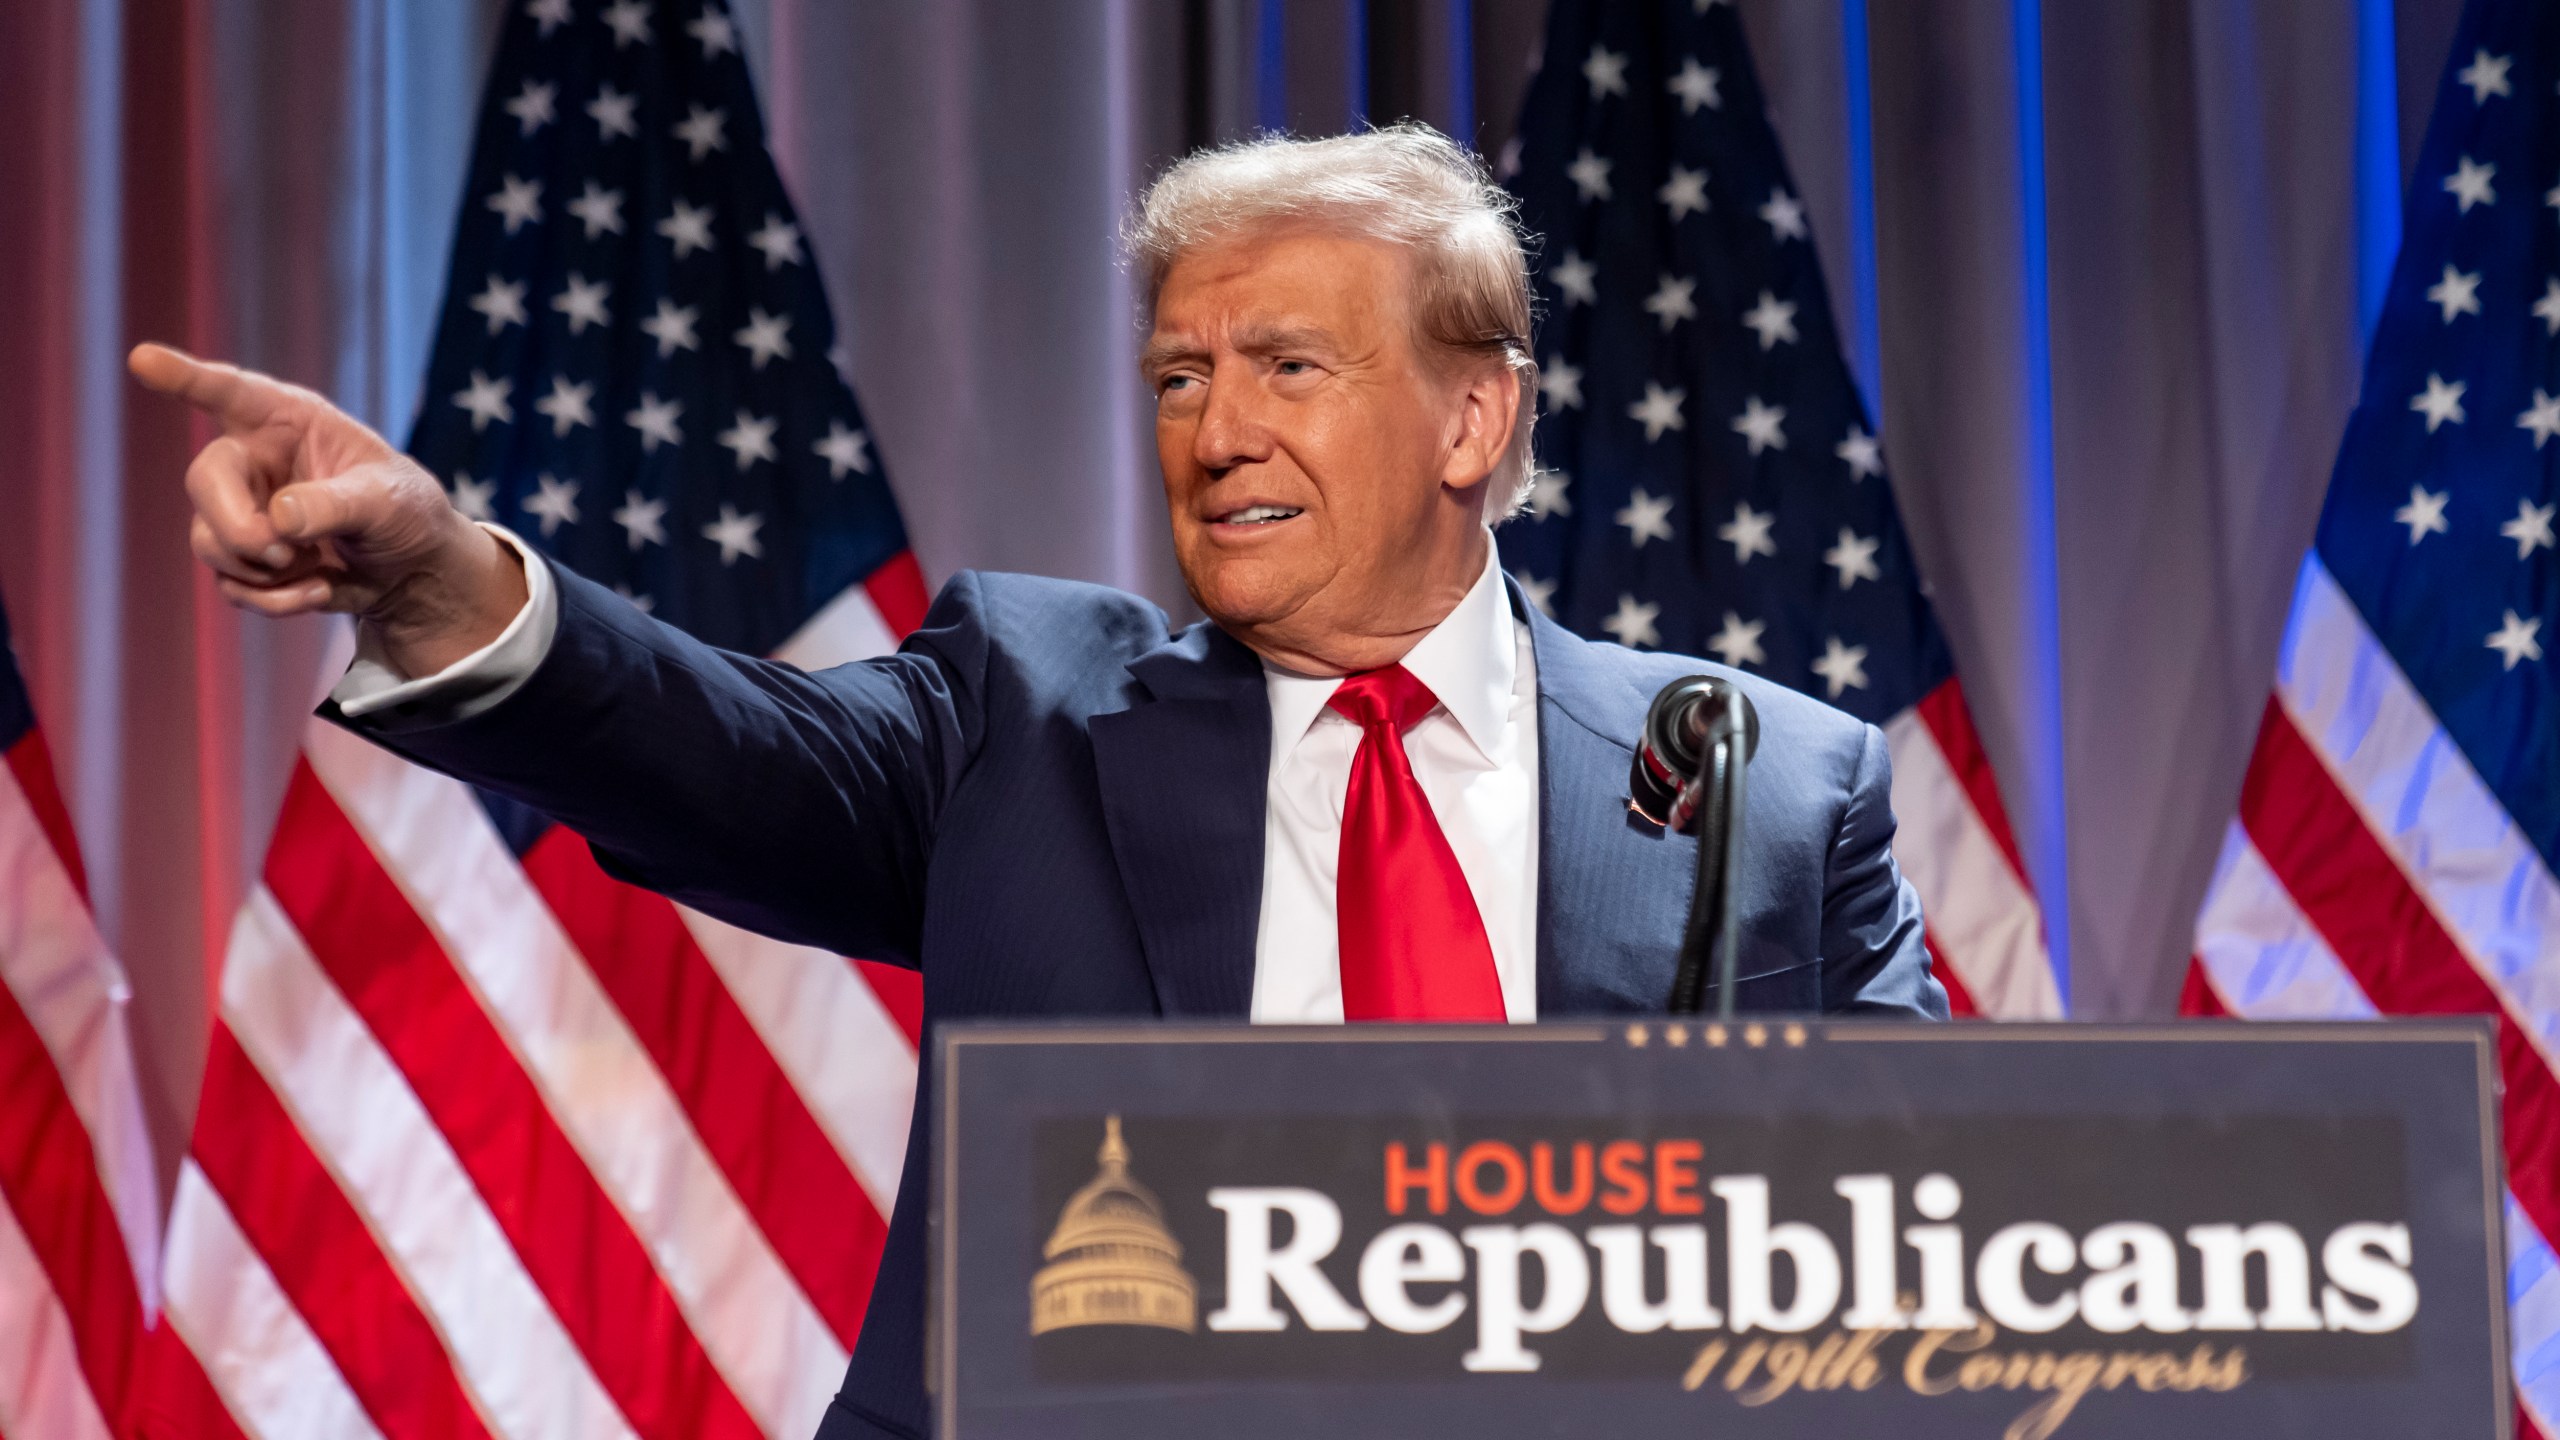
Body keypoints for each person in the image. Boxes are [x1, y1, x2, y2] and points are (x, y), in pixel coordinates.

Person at [136, 124, 1942, 1440]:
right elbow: (715, 750)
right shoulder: (1027, 709)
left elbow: (1940, 1248)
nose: (1215, 430)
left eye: (1287, 368)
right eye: (1178, 375)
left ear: (1475, 419)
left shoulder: (1764, 785)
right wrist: (442, 575)